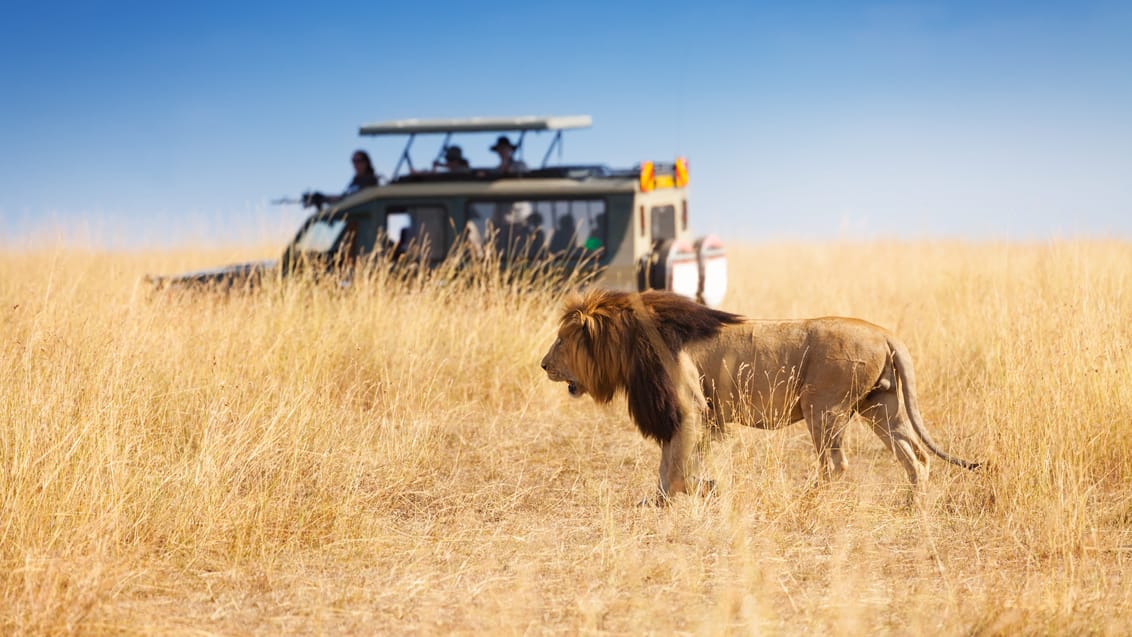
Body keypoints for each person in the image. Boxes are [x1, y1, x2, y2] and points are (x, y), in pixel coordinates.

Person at [303, 150, 380, 208]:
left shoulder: (371, 181)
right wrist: (321, 198)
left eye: (358, 161)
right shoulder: (354, 182)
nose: (355, 164)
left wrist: (324, 198)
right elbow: (342, 198)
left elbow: (349, 200)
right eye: (353, 161)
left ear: (366, 162)